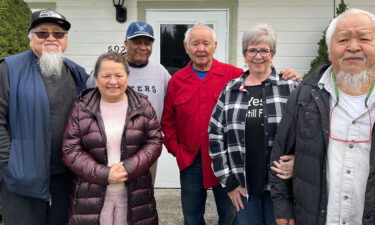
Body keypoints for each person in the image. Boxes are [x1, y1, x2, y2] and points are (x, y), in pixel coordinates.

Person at [161, 22, 300, 225]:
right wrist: (178, 151)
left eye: (206, 43)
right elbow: (169, 121)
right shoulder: (180, 80)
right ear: (186, 47)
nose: (201, 49)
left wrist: (291, 75)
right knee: (192, 215)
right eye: (195, 43)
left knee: (230, 215)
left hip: (244, 166)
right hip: (197, 160)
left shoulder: (233, 76)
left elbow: (303, 129)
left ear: (215, 46)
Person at [269, 8, 375, 225]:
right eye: (343, 39)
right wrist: (283, 208)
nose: (353, 47)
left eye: (364, 38)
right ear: (329, 50)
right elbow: (280, 154)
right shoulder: (305, 93)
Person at [0, 9, 86, 225]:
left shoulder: (77, 72)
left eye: (58, 34)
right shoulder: (8, 69)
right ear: (31, 38)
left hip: (64, 176)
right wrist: (9, 162)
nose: (50, 38)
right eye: (42, 33)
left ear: (65, 40)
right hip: (22, 176)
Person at [208, 23, 298, 225]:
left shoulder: (290, 87)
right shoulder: (231, 90)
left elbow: (308, 134)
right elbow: (215, 134)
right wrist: (228, 182)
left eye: (264, 50)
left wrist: (297, 163)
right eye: (252, 50)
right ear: (244, 54)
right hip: (244, 188)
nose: (258, 56)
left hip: (282, 187)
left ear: (272, 54)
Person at [62, 51, 162, 225]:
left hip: (135, 193)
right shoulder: (81, 107)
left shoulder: (143, 105)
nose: (113, 81)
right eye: (106, 75)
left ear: (127, 76)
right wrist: (104, 174)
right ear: (96, 78)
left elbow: (155, 140)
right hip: (90, 195)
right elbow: (70, 150)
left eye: (119, 75)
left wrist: (129, 168)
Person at [87, 22, 170, 183]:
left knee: (143, 194)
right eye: (137, 42)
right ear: (126, 43)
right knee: (110, 195)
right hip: (109, 146)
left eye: (147, 43)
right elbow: (88, 101)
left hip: (146, 148)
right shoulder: (110, 68)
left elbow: (170, 107)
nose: (142, 47)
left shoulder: (161, 72)